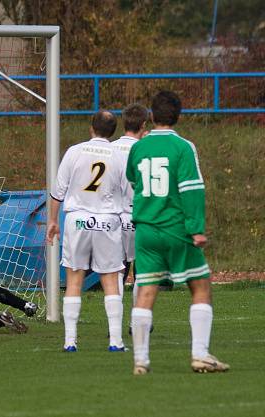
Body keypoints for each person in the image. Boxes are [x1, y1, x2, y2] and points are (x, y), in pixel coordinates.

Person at [126, 91, 229, 374]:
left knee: (146, 290)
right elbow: (192, 189)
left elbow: (132, 178)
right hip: (175, 229)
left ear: (151, 116)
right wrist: (196, 229)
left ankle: (141, 361)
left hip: (145, 230)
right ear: (178, 116)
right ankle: (200, 354)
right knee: (200, 285)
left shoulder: (138, 147)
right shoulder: (183, 147)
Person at [46, 110, 127, 352]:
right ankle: (115, 341)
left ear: (92, 128)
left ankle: (70, 341)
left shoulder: (75, 151)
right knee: (111, 280)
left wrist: (52, 220)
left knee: (74, 279)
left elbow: (58, 191)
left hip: (77, 220)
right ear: (113, 131)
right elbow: (128, 191)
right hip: (107, 221)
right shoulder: (119, 155)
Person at [112, 103, 149, 302]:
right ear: (144, 124)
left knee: (118, 271)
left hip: (115, 218)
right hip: (140, 217)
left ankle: (114, 324)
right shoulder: (147, 149)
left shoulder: (109, 149)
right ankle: (138, 321)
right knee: (142, 270)